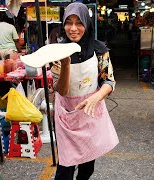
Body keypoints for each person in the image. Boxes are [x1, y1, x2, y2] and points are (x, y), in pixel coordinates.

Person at [51, 3, 119, 180]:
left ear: (87, 25)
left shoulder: (99, 50)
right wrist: (65, 64)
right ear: (63, 25)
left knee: (87, 166)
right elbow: (62, 90)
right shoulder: (57, 51)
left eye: (79, 23)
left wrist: (96, 97)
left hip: (90, 113)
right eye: (68, 23)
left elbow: (108, 80)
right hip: (66, 114)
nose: (73, 29)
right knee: (65, 168)